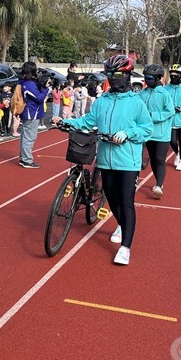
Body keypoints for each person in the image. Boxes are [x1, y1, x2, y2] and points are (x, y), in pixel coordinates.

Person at [53, 54, 152, 265]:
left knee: (126, 202)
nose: (113, 78)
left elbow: (146, 128)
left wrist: (127, 133)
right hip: (105, 159)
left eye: (117, 74)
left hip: (128, 160)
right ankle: (120, 224)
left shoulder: (136, 101)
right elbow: (89, 120)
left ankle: (126, 247)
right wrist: (67, 122)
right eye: (109, 74)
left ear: (127, 75)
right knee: (110, 197)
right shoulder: (103, 100)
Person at [139, 64, 174, 198]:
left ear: (159, 78)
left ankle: (159, 185)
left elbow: (169, 111)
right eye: (146, 78)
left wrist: (152, 116)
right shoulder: (142, 93)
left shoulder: (164, 93)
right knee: (153, 159)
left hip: (161, 134)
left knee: (159, 159)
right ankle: (158, 180)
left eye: (150, 78)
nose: (147, 80)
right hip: (147, 134)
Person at [17, 61, 51, 169]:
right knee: (29, 137)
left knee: (26, 136)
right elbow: (39, 98)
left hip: (31, 112)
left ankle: (24, 157)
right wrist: (46, 89)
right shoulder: (29, 84)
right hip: (31, 113)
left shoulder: (25, 82)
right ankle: (27, 160)